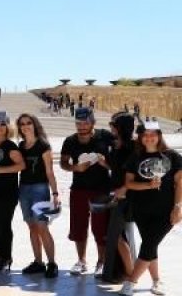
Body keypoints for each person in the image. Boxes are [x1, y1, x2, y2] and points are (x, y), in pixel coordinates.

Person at [119, 121, 182, 296]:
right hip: (141, 210)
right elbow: (129, 183)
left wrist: (177, 207)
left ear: (159, 135)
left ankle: (131, 281)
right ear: (140, 137)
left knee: (149, 244)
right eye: (145, 134)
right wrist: (148, 185)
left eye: (152, 134)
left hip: (165, 211)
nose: (149, 138)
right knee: (150, 245)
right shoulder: (135, 157)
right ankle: (156, 281)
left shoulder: (172, 157)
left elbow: (180, 183)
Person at [60, 107, 114, 277]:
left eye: (85, 123)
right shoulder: (70, 140)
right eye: (79, 123)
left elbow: (118, 159)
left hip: (101, 188)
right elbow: (63, 163)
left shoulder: (105, 136)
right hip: (79, 188)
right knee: (78, 226)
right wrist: (75, 167)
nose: (82, 126)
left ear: (93, 122)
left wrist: (105, 163)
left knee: (100, 228)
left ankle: (101, 261)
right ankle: (82, 261)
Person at [16, 113, 60, 278]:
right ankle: (38, 262)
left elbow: (50, 171)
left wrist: (55, 193)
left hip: (40, 189)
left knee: (42, 226)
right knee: (32, 226)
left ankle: (52, 263)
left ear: (34, 125)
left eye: (28, 122)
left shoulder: (43, 145)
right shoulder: (20, 146)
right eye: (22, 124)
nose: (25, 126)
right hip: (24, 189)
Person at [0, 112, 25, 271]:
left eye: (2, 124)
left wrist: (1, 170)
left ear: (8, 127)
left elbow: (21, 166)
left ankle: (5, 257)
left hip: (7, 193)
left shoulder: (10, 146)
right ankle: (1, 256)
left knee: (4, 225)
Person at [102, 112, 136, 283]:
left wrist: (123, 190)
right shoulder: (118, 146)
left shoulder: (133, 147)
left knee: (116, 236)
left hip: (125, 196)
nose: (112, 129)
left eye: (114, 126)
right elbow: (116, 169)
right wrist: (105, 162)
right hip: (116, 194)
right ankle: (121, 273)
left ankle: (131, 276)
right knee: (117, 235)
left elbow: (134, 174)